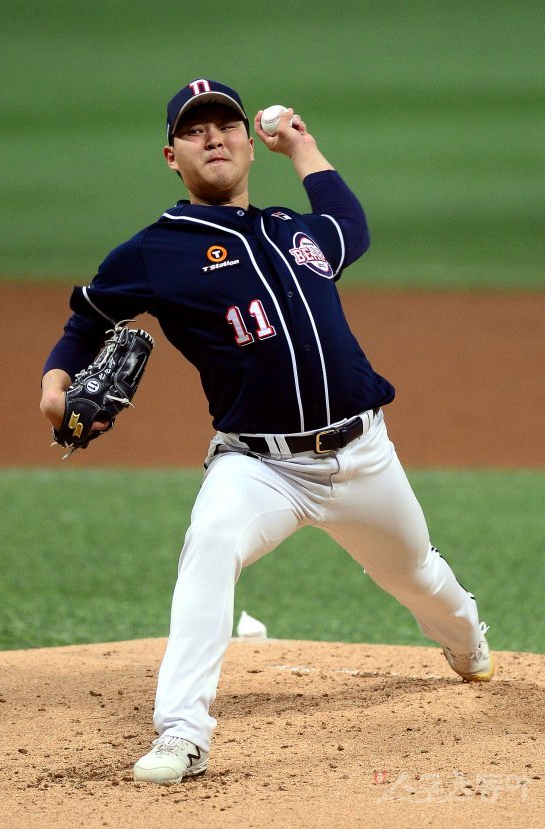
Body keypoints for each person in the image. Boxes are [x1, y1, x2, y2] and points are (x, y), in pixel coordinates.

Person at [40, 79, 493, 786]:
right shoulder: (156, 251)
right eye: (195, 130)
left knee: (415, 574)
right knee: (210, 543)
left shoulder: (294, 230)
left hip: (364, 454)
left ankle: (467, 640)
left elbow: (351, 225)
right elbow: (86, 320)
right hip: (260, 467)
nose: (213, 138)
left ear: (249, 145)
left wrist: (303, 146)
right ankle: (183, 731)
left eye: (225, 125)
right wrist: (54, 387)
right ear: (172, 156)